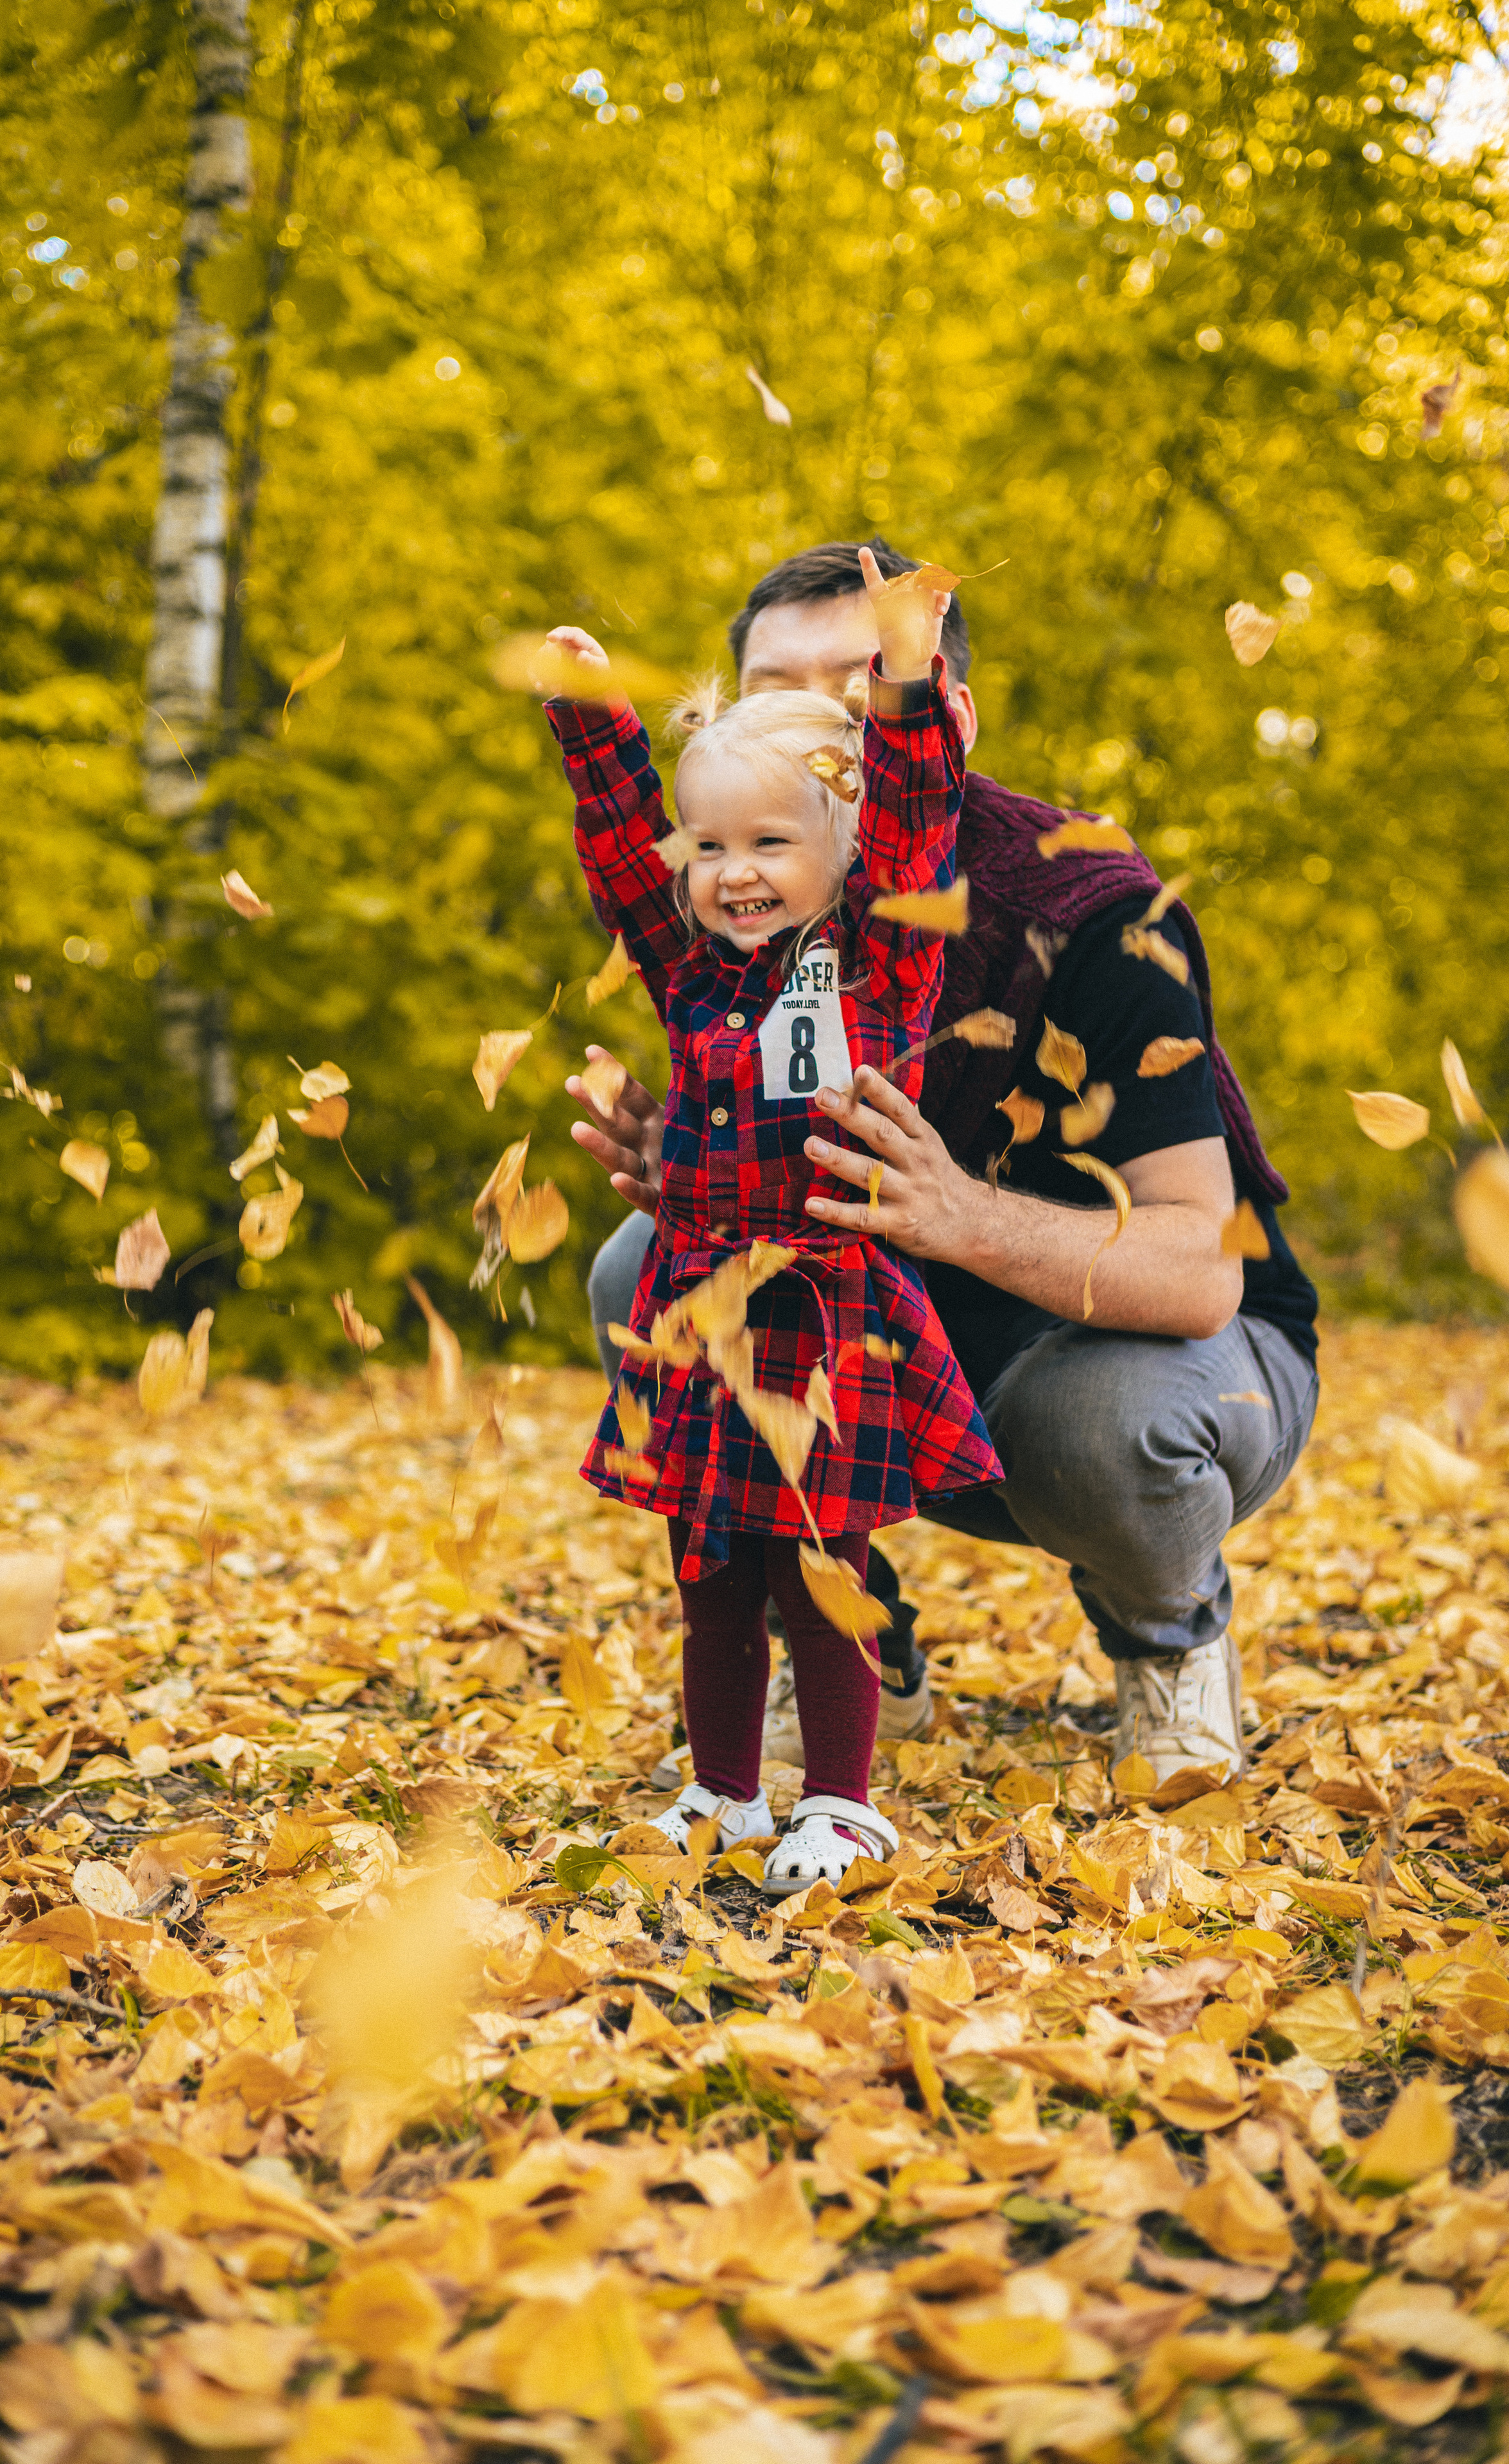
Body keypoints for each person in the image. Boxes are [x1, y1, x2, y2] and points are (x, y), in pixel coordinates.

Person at [569, 540, 1319, 1788]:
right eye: (772, 695)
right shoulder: (744, 896)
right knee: (642, 1269)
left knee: (1094, 1417)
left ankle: (1166, 1644)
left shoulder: (1090, 907)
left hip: (1154, 1361)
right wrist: (701, 1172)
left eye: (851, 693)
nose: (811, 727)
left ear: (937, 720)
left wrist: (954, 1212)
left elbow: (1198, 1273)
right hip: (893, 1360)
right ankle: (860, 1654)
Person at [543, 552, 1002, 1897]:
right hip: (699, 1311)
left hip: (820, 1312)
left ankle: (843, 1803)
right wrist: (592, 726)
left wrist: (909, 679)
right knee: (708, 1573)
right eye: (715, 847)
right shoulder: (691, 973)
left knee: (821, 1573)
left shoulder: (878, 959)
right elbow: (626, 858)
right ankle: (724, 1791)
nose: (735, 875)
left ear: (841, 852)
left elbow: (917, 807)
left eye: (770, 844)